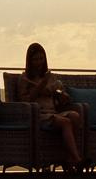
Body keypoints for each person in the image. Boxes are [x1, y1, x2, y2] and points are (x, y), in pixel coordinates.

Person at [12, 42, 85, 172]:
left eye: (41, 59)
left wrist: (62, 96)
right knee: (66, 122)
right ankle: (77, 159)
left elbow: (60, 96)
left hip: (54, 112)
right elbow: (25, 100)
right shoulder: (24, 78)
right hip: (39, 115)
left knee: (75, 116)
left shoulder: (51, 78)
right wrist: (42, 85)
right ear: (30, 61)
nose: (39, 62)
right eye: (35, 59)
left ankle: (69, 158)